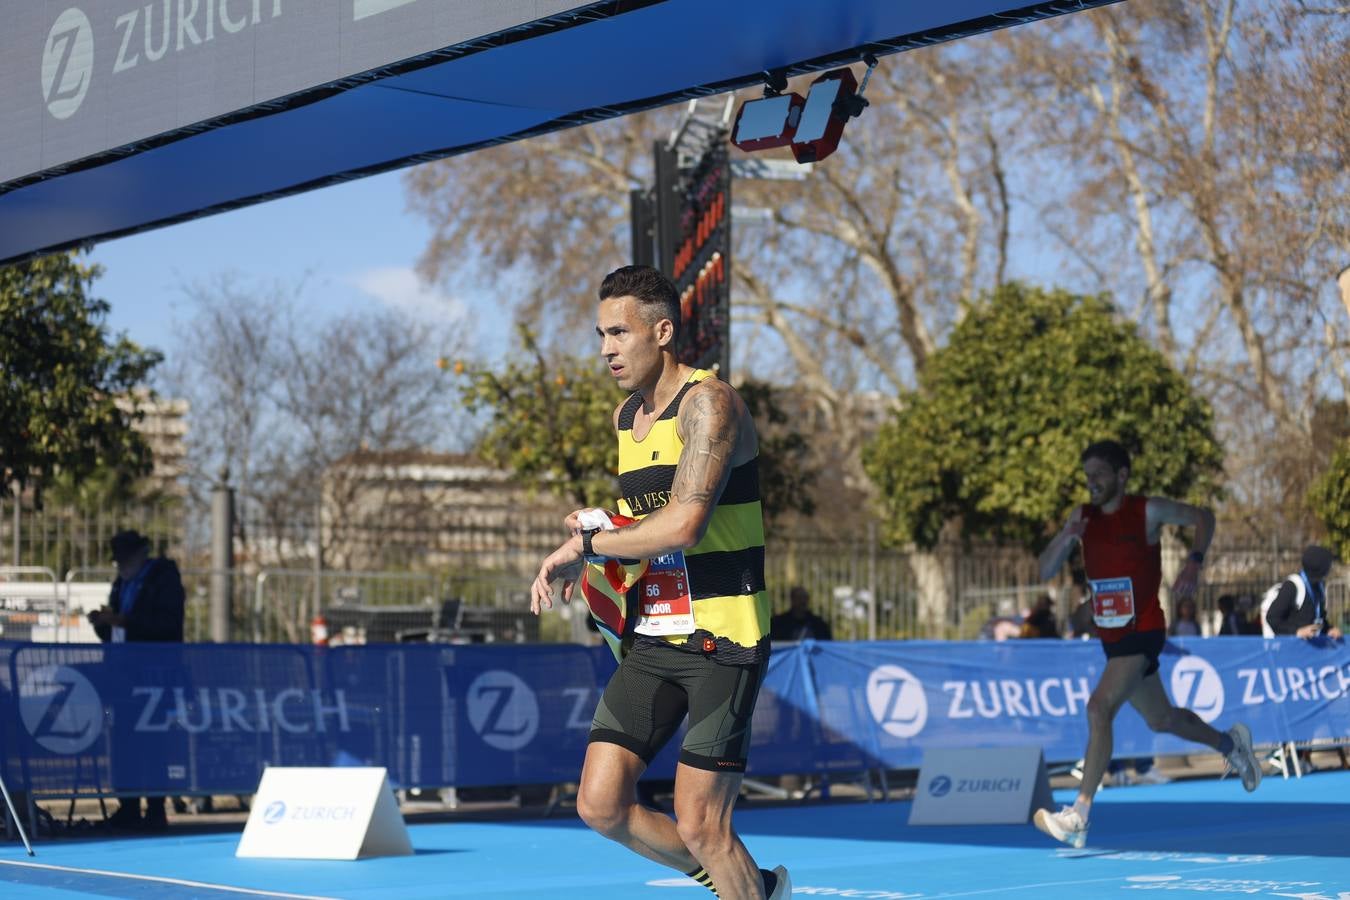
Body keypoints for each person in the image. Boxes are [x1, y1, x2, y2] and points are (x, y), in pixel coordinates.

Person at [529, 265, 789, 900]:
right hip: (653, 637)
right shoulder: (628, 417)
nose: (606, 349)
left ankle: (742, 885)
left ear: (663, 331)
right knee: (601, 804)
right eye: (600, 335)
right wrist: (592, 536)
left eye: (619, 333)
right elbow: (644, 522)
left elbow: (684, 525)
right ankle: (752, 888)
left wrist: (592, 544)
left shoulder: (709, 403)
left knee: (703, 824)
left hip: (723, 640)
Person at [1032, 440, 1261, 848]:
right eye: (1087, 476)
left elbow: (1203, 517)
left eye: (1099, 474)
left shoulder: (1146, 510)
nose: (1091, 482)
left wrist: (1194, 562)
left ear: (1122, 475)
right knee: (1162, 719)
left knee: (1098, 708)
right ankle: (1232, 744)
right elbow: (1044, 569)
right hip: (1112, 637)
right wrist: (1067, 536)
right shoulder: (1082, 517)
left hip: (1144, 630)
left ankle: (1079, 815)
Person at [87, 530, 185, 831]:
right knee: (123, 740)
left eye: (124, 558)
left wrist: (125, 622)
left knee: (154, 741)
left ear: (141, 554)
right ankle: (128, 806)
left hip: (156, 674)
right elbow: (115, 633)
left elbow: (167, 625)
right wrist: (104, 623)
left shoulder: (162, 578)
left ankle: (155, 809)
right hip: (124, 674)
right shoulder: (122, 584)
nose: (120, 564)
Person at [1264, 545, 1343, 641]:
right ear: (1320, 567)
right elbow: (1272, 618)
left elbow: (1319, 618)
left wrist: (1329, 629)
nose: (1330, 569)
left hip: (1313, 647)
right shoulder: (1293, 585)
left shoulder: (1319, 586)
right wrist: (1297, 632)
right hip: (1292, 647)